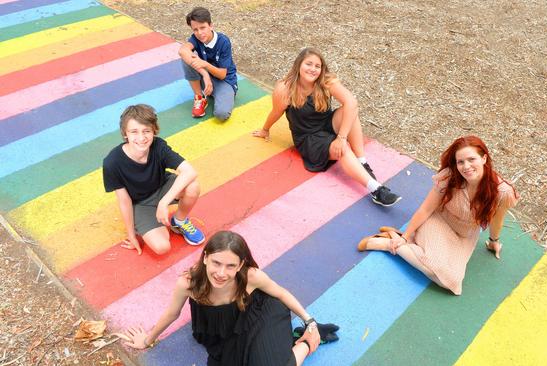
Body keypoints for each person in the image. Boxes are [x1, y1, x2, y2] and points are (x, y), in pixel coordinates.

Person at [117, 231, 338, 366]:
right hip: (221, 333)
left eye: (230, 265)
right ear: (205, 258)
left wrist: (309, 321)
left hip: (260, 317)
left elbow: (280, 293)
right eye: (216, 263)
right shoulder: (188, 283)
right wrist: (147, 340)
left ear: (241, 264)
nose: (221, 273)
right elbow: (172, 313)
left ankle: (307, 342)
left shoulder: (251, 276)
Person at [357, 136, 519, 295]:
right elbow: (426, 210)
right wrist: (405, 236)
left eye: (472, 159)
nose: (466, 166)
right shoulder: (450, 177)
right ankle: (387, 244)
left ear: (484, 158)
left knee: (452, 281)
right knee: (433, 264)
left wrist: (493, 241)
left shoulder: (502, 192)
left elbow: (497, 219)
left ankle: (396, 239)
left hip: (465, 236)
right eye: (460, 162)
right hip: (439, 221)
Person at [252, 47, 401, 207]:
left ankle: (361, 161)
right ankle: (377, 190)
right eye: (309, 64)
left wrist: (341, 138)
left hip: (326, 123)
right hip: (309, 138)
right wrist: (265, 129)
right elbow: (276, 112)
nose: (313, 69)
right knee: (343, 150)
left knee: (350, 111)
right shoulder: (285, 88)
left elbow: (352, 102)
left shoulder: (325, 81)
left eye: (318, 66)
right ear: (298, 65)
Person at [102, 104, 205, 255]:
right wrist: (131, 235)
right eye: (134, 132)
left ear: (154, 131)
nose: (141, 138)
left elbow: (189, 171)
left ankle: (179, 220)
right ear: (125, 133)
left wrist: (164, 202)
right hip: (141, 204)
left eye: (146, 131)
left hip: (162, 187)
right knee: (162, 247)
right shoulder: (112, 162)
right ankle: (152, 221)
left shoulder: (158, 146)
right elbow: (124, 201)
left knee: (193, 186)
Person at [179, 7, 238, 120]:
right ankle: (200, 98)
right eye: (195, 29)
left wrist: (204, 64)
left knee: (221, 114)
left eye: (203, 27)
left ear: (211, 26)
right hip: (207, 76)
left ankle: (219, 94)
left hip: (224, 81)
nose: (200, 33)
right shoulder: (196, 38)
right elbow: (182, 51)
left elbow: (222, 74)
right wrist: (205, 75)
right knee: (186, 57)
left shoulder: (223, 42)